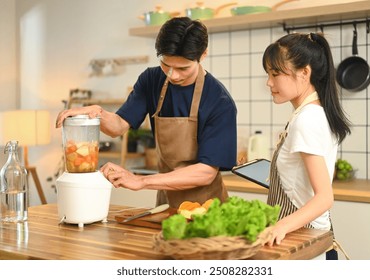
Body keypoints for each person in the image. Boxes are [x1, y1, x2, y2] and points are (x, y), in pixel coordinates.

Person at [56, 17, 237, 209]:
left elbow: (206, 172)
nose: (173, 75)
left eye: (183, 68)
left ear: (203, 55)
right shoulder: (151, 80)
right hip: (166, 203)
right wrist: (97, 113)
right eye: (166, 65)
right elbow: (118, 126)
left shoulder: (219, 101)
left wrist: (141, 181)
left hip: (207, 208)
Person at [262, 32, 351, 260]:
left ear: (304, 73)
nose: (269, 82)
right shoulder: (312, 113)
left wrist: (280, 226)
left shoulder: (307, 120)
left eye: (276, 74)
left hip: (305, 241)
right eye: (268, 74)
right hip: (311, 237)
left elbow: (324, 197)